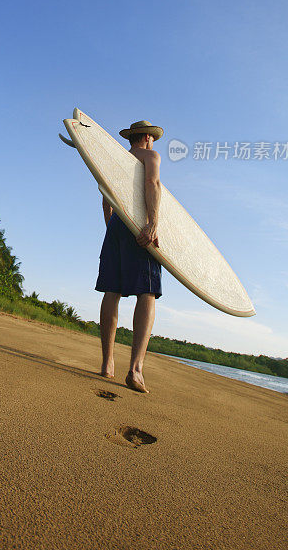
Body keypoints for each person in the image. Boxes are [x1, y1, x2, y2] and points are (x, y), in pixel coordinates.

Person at [95, 119, 163, 393]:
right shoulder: (150, 156)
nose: (154, 143)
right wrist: (152, 223)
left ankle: (107, 363)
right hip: (139, 225)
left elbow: (105, 196)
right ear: (147, 137)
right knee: (147, 293)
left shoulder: (116, 159)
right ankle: (135, 369)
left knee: (112, 291)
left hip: (116, 225)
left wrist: (111, 226)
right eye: (153, 138)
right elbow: (152, 183)